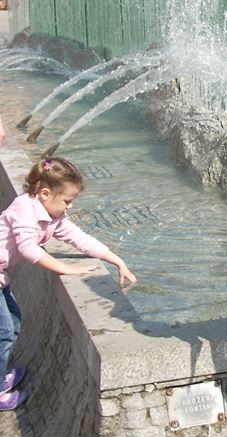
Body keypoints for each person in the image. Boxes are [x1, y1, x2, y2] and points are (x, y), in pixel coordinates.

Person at [0, 156, 137, 411]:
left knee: (13, 324)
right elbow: (28, 249)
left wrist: (116, 260)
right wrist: (67, 268)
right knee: (4, 331)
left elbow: (80, 239)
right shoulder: (24, 208)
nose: (70, 206)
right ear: (45, 193)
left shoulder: (52, 217)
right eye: (67, 201)